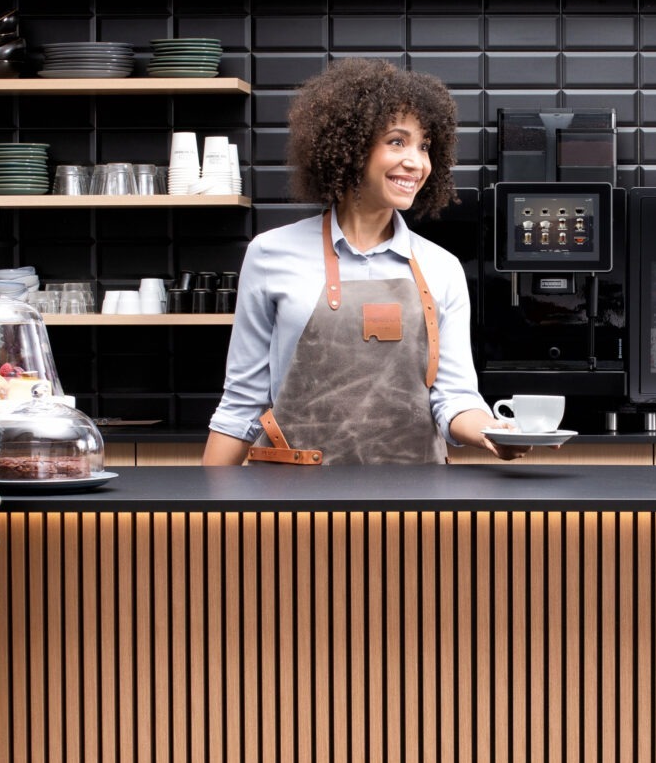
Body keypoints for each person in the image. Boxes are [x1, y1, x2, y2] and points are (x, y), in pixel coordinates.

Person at [202, 58, 518, 465]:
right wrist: (203, 512)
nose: (417, 162)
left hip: (416, 501)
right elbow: (242, 404)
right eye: (397, 142)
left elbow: (455, 398)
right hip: (290, 501)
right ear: (351, 147)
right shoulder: (270, 254)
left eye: (425, 146)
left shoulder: (441, 268)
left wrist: (492, 432)